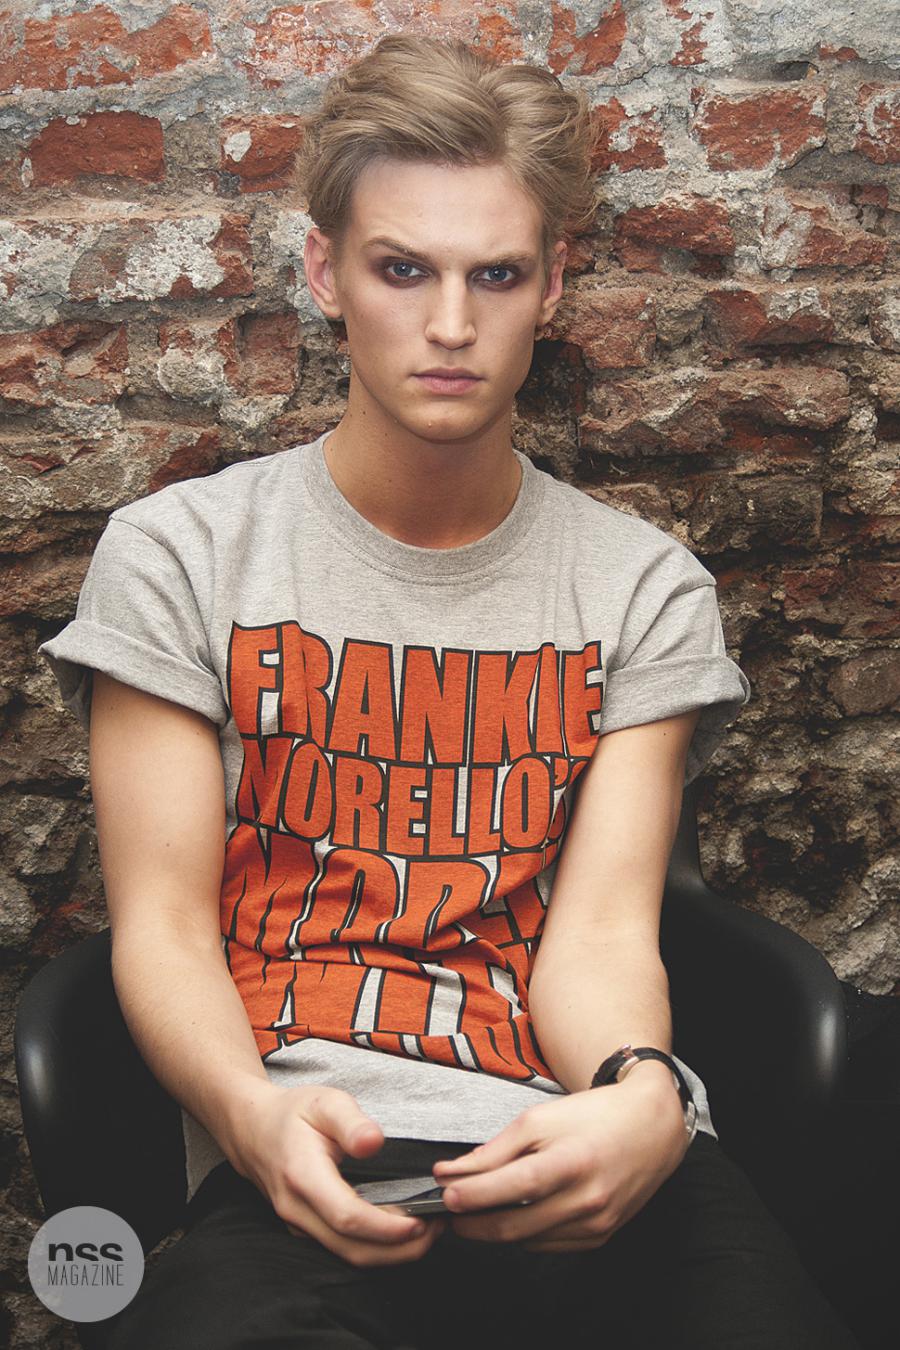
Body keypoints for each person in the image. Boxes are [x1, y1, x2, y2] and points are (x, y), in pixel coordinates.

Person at [40, 33, 859, 1350]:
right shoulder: (181, 557)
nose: (452, 326)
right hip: (305, 1150)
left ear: (553, 285)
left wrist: (645, 1094)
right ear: (326, 273)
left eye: (498, 274)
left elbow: (601, 934)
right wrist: (250, 1119)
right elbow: (165, 928)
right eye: (403, 268)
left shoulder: (641, 585)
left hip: (571, 1139)